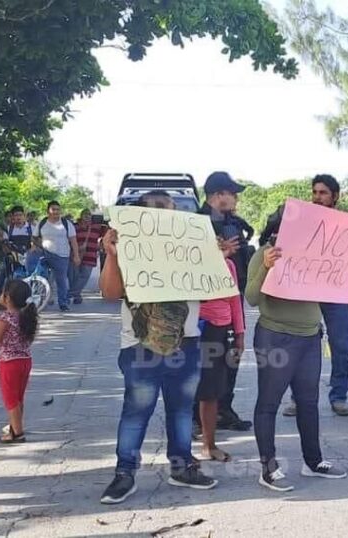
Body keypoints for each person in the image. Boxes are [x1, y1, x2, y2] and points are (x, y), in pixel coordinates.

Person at [98, 190, 217, 505]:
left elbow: (206, 296)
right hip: (139, 346)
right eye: (161, 211)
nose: (168, 216)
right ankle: (125, 473)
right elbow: (110, 292)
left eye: (172, 210)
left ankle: (181, 467)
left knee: (180, 410)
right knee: (136, 413)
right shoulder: (127, 247)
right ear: (141, 217)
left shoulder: (190, 246)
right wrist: (111, 254)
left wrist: (213, 262)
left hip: (186, 341)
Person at [247, 205, 348, 492]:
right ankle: (268, 469)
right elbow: (252, 298)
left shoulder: (313, 255)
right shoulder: (262, 255)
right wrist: (266, 266)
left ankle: (313, 462)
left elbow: (331, 290)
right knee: (268, 403)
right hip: (275, 337)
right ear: (279, 231)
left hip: (309, 338)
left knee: (308, 402)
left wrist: (342, 268)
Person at [281, 174, 348, 417]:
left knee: (341, 345)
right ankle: (297, 398)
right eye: (315, 192)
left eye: (323, 193)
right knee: (302, 344)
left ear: (335, 196)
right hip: (307, 292)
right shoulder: (302, 221)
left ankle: (339, 396)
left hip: (336, 291)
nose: (317, 197)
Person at [198, 171, 253, 432]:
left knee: (231, 357)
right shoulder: (197, 224)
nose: (236, 199)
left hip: (234, 298)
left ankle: (224, 409)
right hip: (208, 307)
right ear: (218, 195)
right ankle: (199, 417)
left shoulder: (232, 222)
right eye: (232, 194)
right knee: (207, 363)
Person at [195, 239, 246, 462]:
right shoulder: (190, 262)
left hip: (220, 330)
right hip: (196, 327)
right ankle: (190, 443)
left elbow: (234, 299)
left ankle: (209, 445)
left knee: (213, 388)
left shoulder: (229, 265)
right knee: (193, 388)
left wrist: (240, 333)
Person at [0, 279, 38, 443]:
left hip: (8, 362)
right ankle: (15, 425)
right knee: (18, 397)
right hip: (25, 360)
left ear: (7, 297)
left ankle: (17, 432)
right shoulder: (25, 316)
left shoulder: (5, 318)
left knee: (10, 398)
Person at [34, 200, 80, 312]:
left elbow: (73, 240)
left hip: (62, 255)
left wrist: (76, 255)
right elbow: (34, 237)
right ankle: (40, 299)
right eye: (53, 209)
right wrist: (35, 246)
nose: (56, 212)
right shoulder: (42, 222)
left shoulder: (66, 223)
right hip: (45, 253)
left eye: (58, 209)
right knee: (40, 275)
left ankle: (63, 303)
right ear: (48, 211)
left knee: (61, 280)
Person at [69, 209, 107, 304]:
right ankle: (77, 296)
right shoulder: (75, 226)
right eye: (85, 215)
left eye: (89, 215)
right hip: (76, 255)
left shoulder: (97, 227)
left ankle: (70, 294)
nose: (87, 216)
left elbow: (107, 231)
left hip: (90, 256)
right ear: (81, 216)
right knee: (75, 277)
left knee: (84, 276)